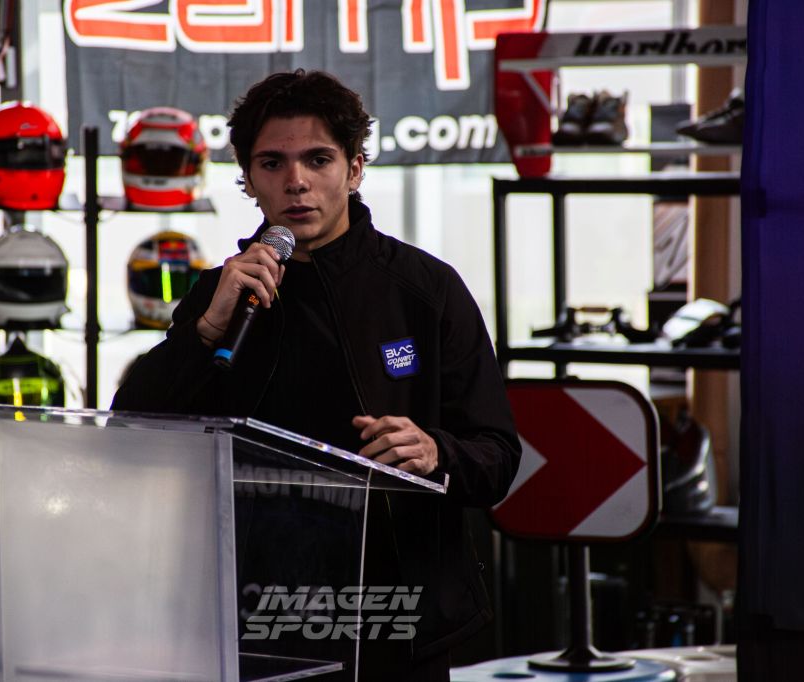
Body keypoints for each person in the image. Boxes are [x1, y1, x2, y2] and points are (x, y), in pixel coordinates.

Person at [112, 69, 521, 680]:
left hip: (392, 617)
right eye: (272, 163)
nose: (296, 182)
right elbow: (131, 429)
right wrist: (206, 331)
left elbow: (498, 455)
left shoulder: (424, 290)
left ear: (354, 170)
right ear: (248, 178)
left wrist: (437, 452)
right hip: (254, 614)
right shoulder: (223, 295)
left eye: (318, 160)